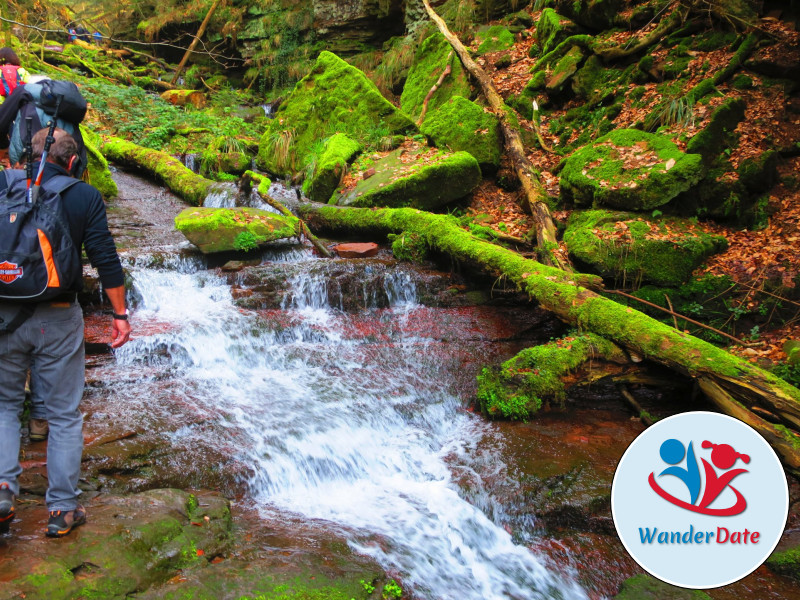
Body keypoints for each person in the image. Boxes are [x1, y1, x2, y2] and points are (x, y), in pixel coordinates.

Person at [0, 128, 131, 538]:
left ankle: (3, 489)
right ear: (73, 162)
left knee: (3, 406)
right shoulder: (83, 195)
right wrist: (120, 314)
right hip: (57, 317)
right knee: (62, 416)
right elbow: (105, 258)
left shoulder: (6, 187)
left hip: (3, 315)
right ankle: (61, 510)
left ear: (29, 154)